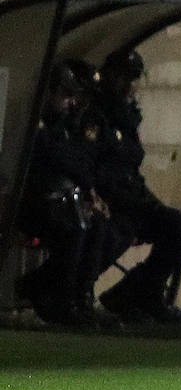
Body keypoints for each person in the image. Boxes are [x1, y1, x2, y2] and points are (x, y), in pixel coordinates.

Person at [92, 48, 181, 324]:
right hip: (114, 202)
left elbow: (130, 168)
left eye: (134, 78)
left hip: (132, 199)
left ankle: (135, 291)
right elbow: (99, 167)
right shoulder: (98, 114)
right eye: (125, 78)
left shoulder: (126, 116)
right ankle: (142, 294)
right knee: (179, 227)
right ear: (110, 77)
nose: (131, 86)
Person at [14, 61, 121, 329]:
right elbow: (60, 158)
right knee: (75, 229)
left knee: (97, 225)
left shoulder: (63, 124)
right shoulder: (33, 121)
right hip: (28, 201)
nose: (70, 103)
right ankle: (60, 300)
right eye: (65, 95)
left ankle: (77, 298)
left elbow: (84, 160)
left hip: (56, 199)